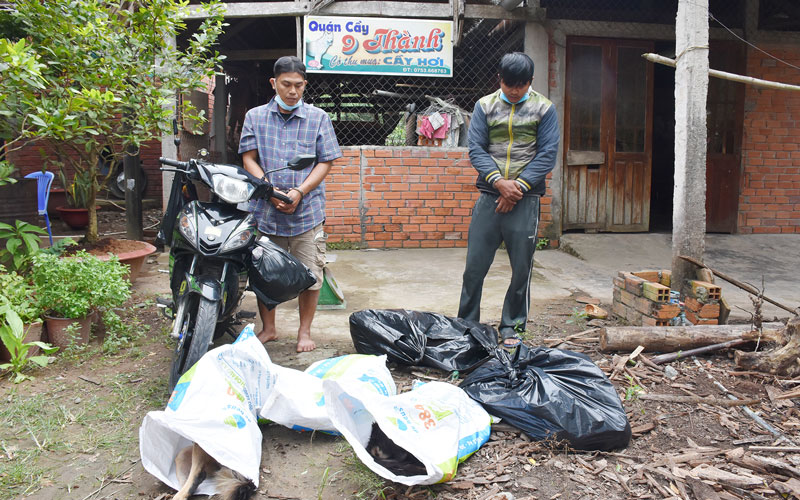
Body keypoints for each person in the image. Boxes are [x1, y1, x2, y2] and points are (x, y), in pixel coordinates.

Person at [239, 56, 342, 352]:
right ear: (274, 83)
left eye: (299, 85)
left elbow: (326, 161)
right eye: (286, 84)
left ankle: (304, 332)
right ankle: (269, 328)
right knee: (264, 272)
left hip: (307, 212)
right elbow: (249, 158)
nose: (293, 91)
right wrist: (268, 189)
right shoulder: (255, 117)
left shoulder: (318, 117)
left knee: (311, 274)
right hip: (265, 211)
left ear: (305, 85)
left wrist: (299, 192)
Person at [457, 52, 560, 349]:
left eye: (521, 85)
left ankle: (512, 326)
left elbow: (547, 154)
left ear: (530, 82)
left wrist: (518, 188)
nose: (514, 90)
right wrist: (500, 184)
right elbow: (476, 148)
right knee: (474, 266)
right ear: (499, 79)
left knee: (521, 269)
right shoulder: (484, 106)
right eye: (509, 84)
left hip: (526, 200)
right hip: (490, 195)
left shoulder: (545, 108)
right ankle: (468, 324)